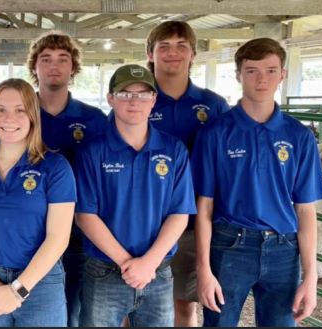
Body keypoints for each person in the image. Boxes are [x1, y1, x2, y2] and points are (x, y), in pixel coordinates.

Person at [192, 38, 322, 327]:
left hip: (284, 248)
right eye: (252, 70)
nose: (262, 79)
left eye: (270, 70)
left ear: (283, 74)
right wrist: (203, 269)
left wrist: (310, 276)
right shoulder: (215, 133)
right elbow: (204, 205)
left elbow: (305, 209)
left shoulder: (299, 135)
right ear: (239, 75)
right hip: (230, 244)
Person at [74, 64, 196, 326]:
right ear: (110, 99)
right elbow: (85, 215)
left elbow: (180, 213)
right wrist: (128, 264)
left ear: (154, 100)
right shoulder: (92, 151)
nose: (134, 101)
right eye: (125, 94)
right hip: (104, 270)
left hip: (158, 272)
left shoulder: (174, 150)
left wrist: (148, 264)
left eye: (142, 94)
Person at [0, 78, 75, 326]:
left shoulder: (55, 168)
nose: (8, 118)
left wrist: (17, 290)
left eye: (20, 110)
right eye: (0, 110)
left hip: (40, 282)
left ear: (33, 116)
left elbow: (58, 238)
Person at [144, 21, 230, 327]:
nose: (173, 53)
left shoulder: (214, 105)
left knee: (184, 305)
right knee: (134, 303)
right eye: (164, 46)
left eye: (181, 46)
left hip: (197, 224)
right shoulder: (136, 101)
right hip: (145, 223)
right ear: (150, 54)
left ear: (193, 53)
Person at [26, 30, 107, 327]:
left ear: (73, 67)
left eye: (63, 59)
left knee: (75, 309)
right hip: (28, 230)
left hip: (79, 230)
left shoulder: (94, 119)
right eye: (45, 59)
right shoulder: (18, 113)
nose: (54, 66)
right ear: (34, 67)